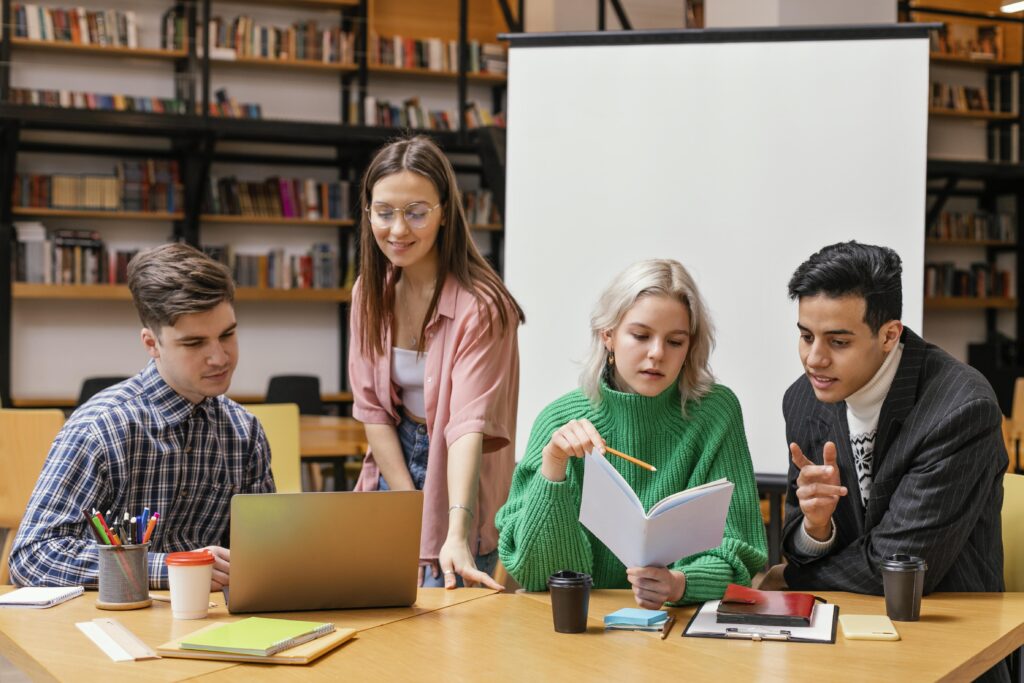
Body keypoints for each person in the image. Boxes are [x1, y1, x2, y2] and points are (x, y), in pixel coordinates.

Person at [495, 259, 767, 607]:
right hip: (583, 630)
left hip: (681, 628)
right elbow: (537, 574)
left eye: (675, 341)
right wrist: (553, 468)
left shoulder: (716, 412)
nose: (657, 354)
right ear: (607, 335)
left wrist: (680, 584)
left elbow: (739, 551)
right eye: (640, 336)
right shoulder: (557, 421)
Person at [9, 243, 275, 589]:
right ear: (152, 344)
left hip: (209, 627)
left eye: (227, 334)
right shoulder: (101, 429)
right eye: (194, 343)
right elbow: (33, 556)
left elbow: (263, 555)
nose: (219, 358)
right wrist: (173, 568)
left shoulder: (244, 432)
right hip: (112, 626)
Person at [779, 241, 1006, 594]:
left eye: (838, 342)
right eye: (806, 336)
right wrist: (816, 529)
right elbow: (798, 543)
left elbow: (901, 566)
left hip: (946, 624)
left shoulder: (961, 408)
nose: (814, 359)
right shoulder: (802, 400)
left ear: (889, 335)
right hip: (842, 622)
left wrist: (791, 578)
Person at [349, 135, 524, 590]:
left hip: (459, 469)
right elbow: (373, 411)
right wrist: (408, 503)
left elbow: (467, 426)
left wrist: (456, 531)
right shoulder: (369, 292)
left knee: (451, 628)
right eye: (384, 212)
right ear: (368, 213)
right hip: (395, 460)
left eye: (417, 212)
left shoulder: (482, 306)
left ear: (445, 212)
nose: (398, 229)